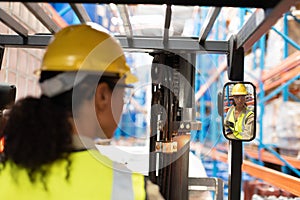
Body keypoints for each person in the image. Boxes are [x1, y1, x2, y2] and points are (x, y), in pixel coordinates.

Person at [0, 24, 163, 200]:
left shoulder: (5, 174)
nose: (123, 104)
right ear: (102, 95)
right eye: (122, 92)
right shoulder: (131, 189)